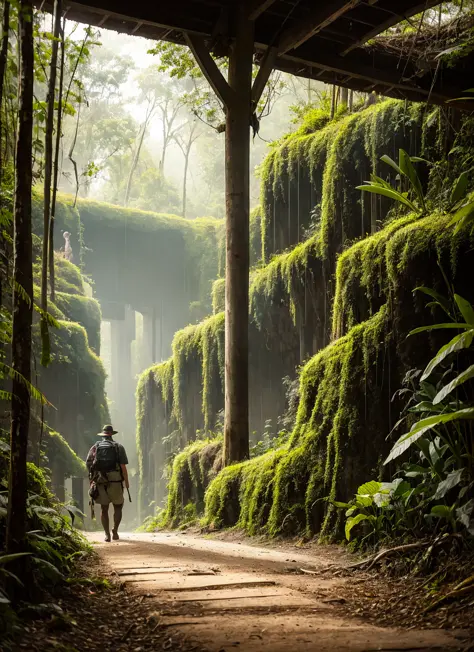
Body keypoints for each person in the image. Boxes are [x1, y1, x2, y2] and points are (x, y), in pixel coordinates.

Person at [86, 425, 129, 542]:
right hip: (115, 480)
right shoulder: (119, 447)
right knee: (118, 507)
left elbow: (89, 463)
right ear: (112, 434)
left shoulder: (95, 447)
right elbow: (123, 466)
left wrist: (92, 478)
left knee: (104, 509)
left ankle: (107, 535)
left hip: (101, 480)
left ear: (103, 435)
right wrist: (126, 481)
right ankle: (115, 530)